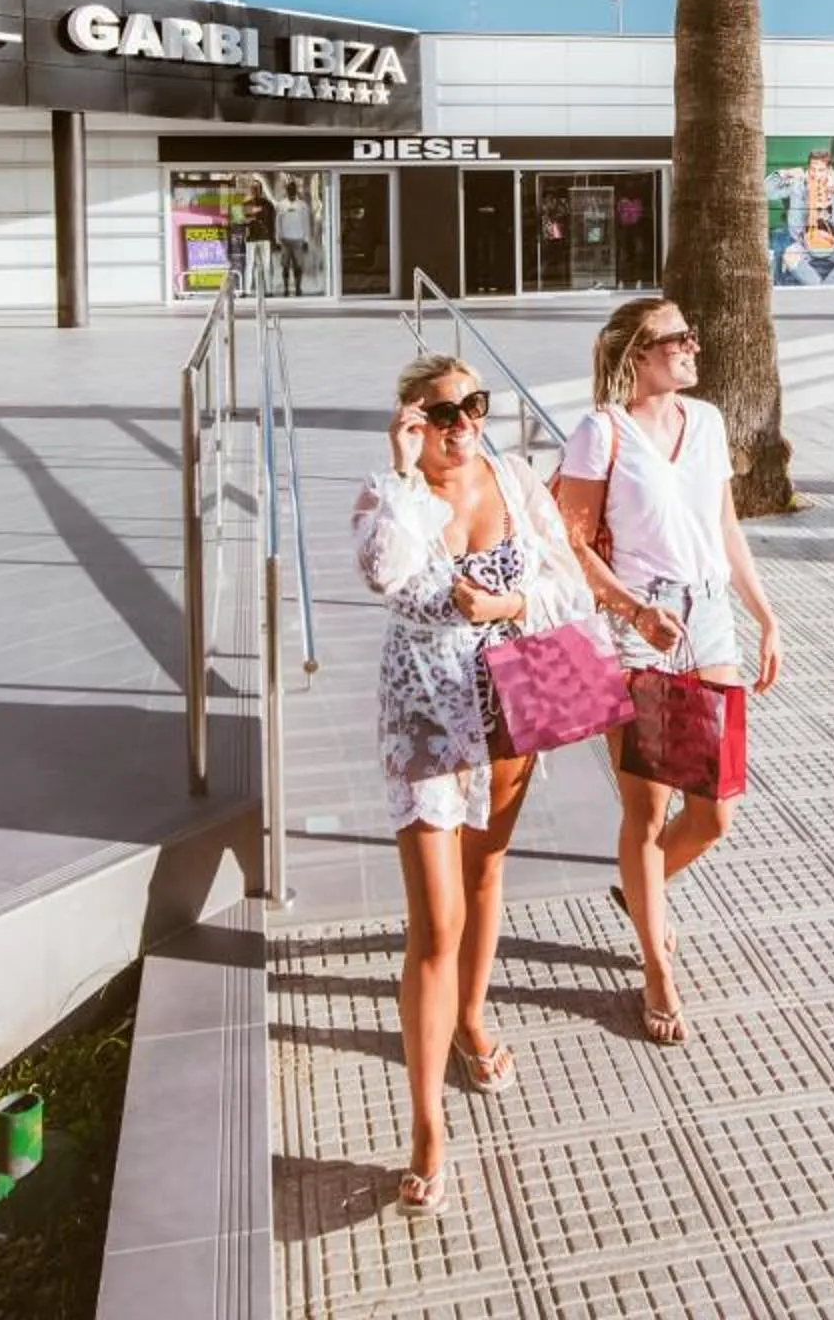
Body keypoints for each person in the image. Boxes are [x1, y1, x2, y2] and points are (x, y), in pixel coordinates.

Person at [351, 354, 592, 1215]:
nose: (463, 425)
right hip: (425, 719)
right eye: (443, 413)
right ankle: (427, 1127)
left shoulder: (514, 479)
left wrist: (509, 607)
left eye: (473, 406)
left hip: (512, 703)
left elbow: (567, 587)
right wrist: (402, 473)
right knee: (434, 925)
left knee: (487, 876)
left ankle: (471, 1019)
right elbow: (383, 574)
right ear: (414, 420)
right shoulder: (391, 495)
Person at [553, 297, 783, 1046]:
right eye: (677, 338)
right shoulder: (601, 433)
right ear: (637, 356)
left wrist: (765, 615)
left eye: (691, 335)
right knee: (646, 814)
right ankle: (656, 968)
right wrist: (632, 610)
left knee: (714, 812)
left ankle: (639, 889)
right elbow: (572, 544)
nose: (693, 346)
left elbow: (723, 526)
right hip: (639, 628)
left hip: (708, 616)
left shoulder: (707, 422)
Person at [768, 146, 834, 286]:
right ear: (808, 168)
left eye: (821, 170)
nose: (816, 174)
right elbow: (767, 191)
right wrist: (786, 173)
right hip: (803, 243)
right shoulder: (797, 184)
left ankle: (821, 293)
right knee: (790, 256)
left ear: (829, 170)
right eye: (813, 169)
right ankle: (823, 292)